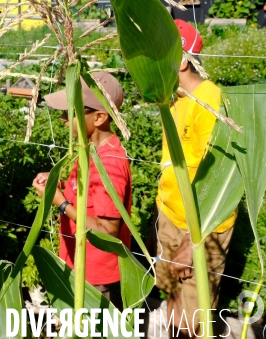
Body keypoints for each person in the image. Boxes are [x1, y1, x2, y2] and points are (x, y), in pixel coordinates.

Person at [154, 20, 236, 338]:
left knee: (195, 315)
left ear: (182, 60)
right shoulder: (174, 100)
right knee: (173, 293)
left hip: (202, 226)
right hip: (171, 219)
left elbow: (220, 179)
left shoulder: (210, 100)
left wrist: (190, 244)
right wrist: (160, 221)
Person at [32, 72, 132, 309]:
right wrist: (63, 184)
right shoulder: (92, 150)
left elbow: (108, 229)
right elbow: (91, 194)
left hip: (96, 279)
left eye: (70, 112)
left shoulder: (109, 163)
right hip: (80, 265)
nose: (63, 119)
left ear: (98, 118)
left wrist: (61, 204)